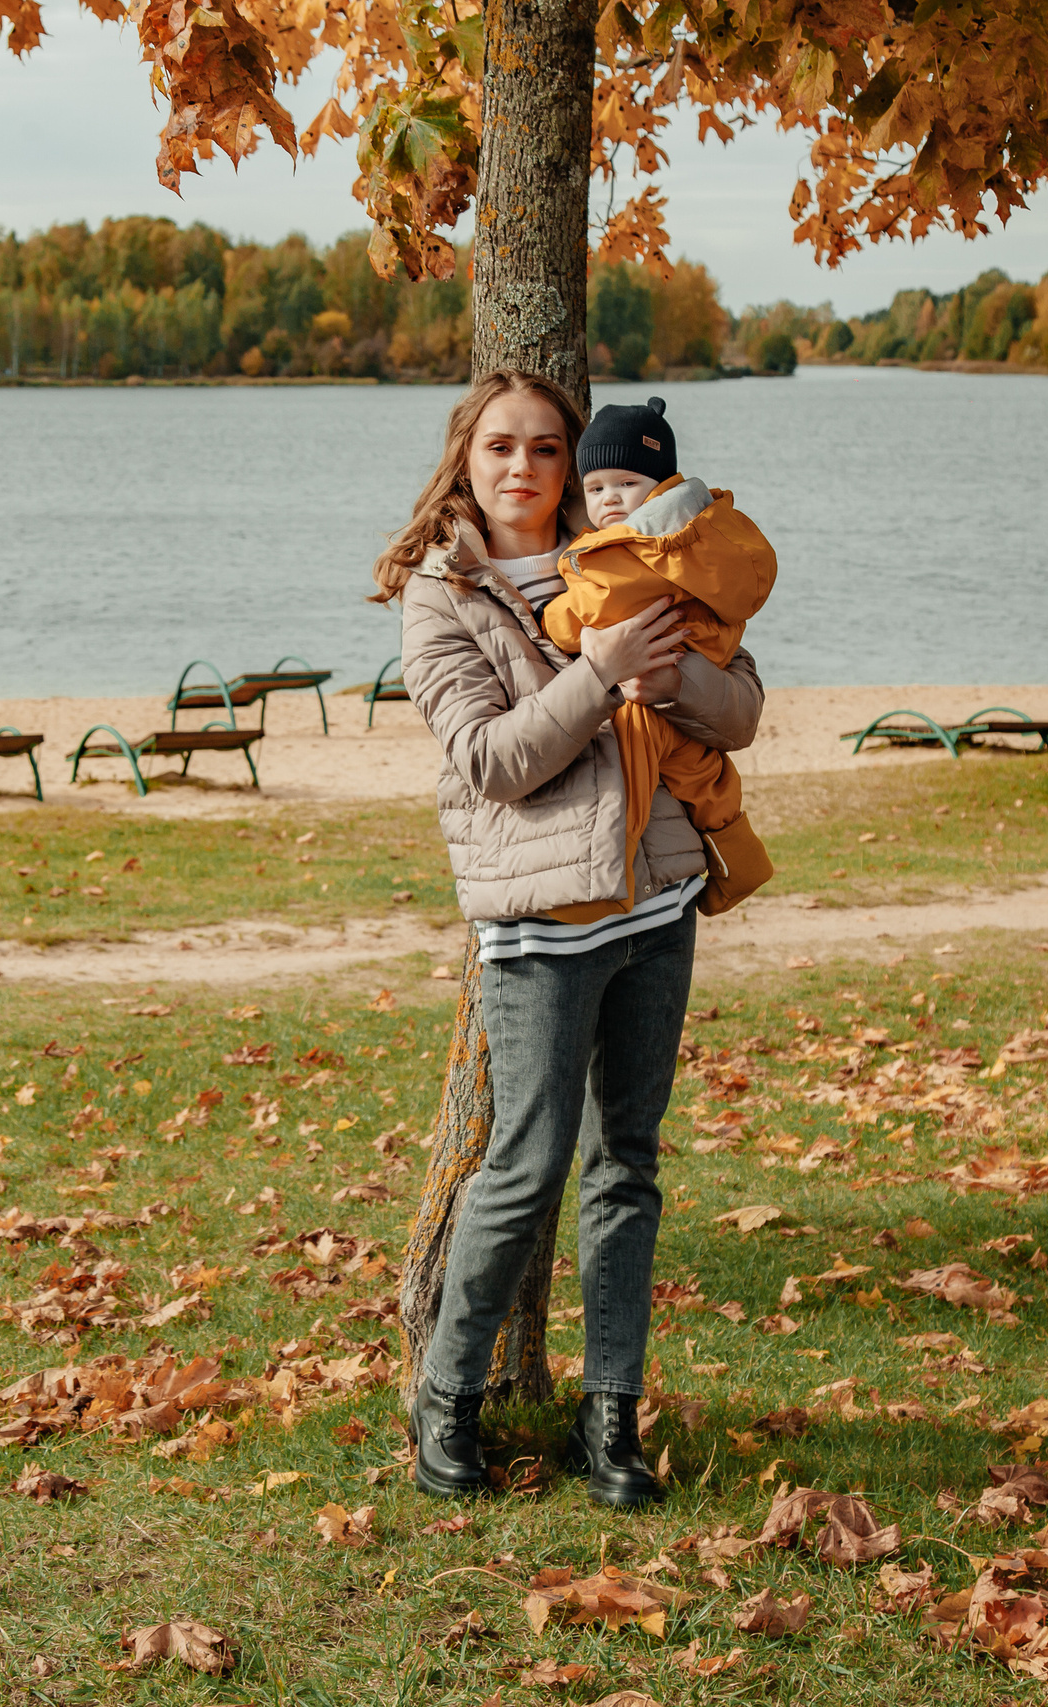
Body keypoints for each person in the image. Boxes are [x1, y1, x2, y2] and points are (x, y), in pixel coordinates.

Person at [375, 370, 762, 1509]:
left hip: (655, 907)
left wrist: (666, 664)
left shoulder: (639, 557)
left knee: (626, 1168)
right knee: (527, 1165)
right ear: (466, 457)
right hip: (541, 928)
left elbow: (738, 711)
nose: (524, 469)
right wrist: (600, 675)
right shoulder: (442, 596)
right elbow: (492, 761)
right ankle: (445, 1397)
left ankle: (612, 1422)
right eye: (500, 447)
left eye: (546, 448)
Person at [539, 397, 778, 914]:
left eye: (627, 484)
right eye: (596, 488)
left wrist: (552, 616)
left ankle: (613, 871)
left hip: (661, 675)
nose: (609, 501)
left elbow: (595, 604)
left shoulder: (646, 543)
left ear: (660, 486)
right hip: (697, 661)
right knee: (703, 777)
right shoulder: (699, 532)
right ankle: (741, 861)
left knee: (633, 768)